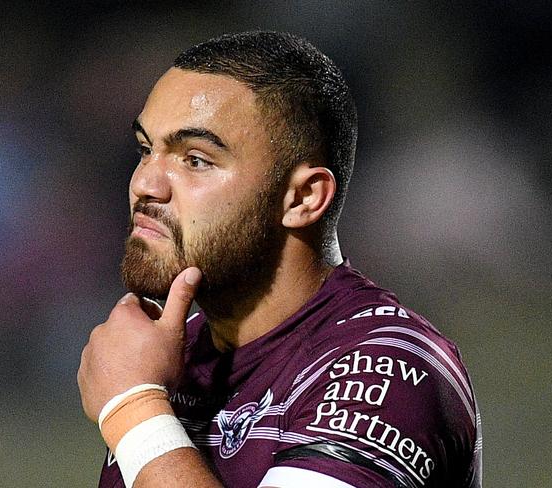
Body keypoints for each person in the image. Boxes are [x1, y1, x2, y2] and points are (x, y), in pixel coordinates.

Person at [77, 31, 482, 488]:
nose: (146, 184)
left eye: (195, 159)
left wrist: (135, 413)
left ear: (304, 198)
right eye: (146, 149)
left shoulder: (388, 368)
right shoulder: (171, 358)